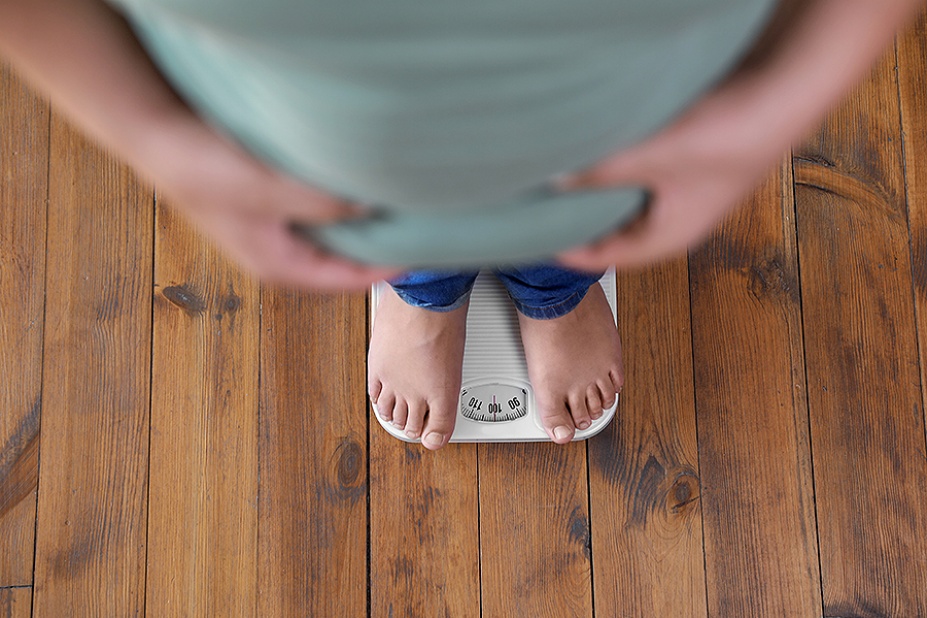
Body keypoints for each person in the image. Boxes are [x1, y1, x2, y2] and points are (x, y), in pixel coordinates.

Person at [1, 0, 922, 450]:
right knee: (396, 202)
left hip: (616, 136)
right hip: (336, 157)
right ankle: (423, 286)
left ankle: (545, 286)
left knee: (567, 214)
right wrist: (151, 137)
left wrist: (777, 111)